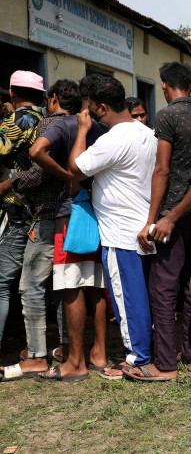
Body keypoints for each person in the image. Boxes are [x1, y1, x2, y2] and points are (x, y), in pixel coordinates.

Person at [60, 75, 157, 381]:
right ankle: (144, 352)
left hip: (121, 232)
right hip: (143, 226)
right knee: (141, 296)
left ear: (101, 108)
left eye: (91, 108)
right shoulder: (147, 133)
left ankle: (137, 358)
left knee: (127, 299)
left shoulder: (113, 139)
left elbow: (76, 167)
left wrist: (82, 130)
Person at [22, 77, 110, 379]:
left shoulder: (62, 125)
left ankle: (75, 362)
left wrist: (66, 177)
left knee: (71, 285)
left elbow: (36, 152)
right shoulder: (102, 127)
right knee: (96, 285)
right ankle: (99, 353)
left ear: (56, 99)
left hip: (69, 213)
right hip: (97, 211)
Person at [135, 62, 191, 380]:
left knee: (163, 287)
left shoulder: (166, 115)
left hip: (174, 213)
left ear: (165, 86)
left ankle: (165, 362)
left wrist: (152, 220)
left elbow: (162, 169)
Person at [0, 71, 46, 381]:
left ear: (13, 94)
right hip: (38, 212)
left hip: (15, 210)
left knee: (2, 283)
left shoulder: (15, 121)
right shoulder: (46, 119)